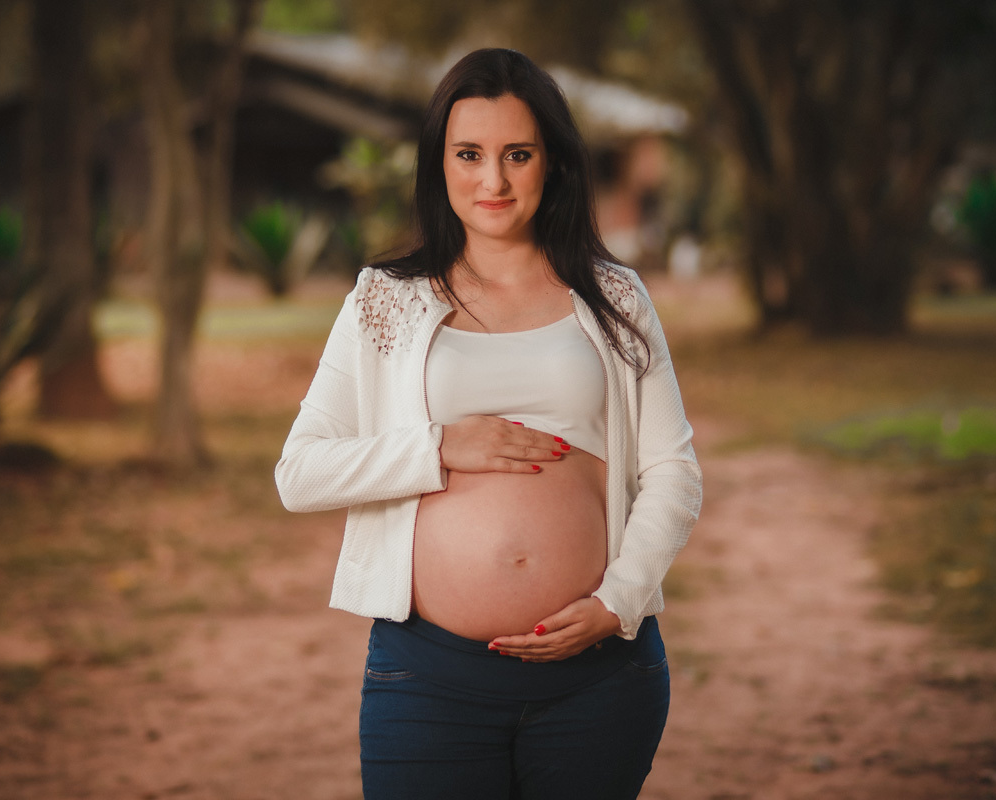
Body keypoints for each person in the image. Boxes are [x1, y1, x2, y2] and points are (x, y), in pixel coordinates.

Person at [276, 48, 701, 799]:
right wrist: (439, 447)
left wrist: (618, 601)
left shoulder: (614, 295)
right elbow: (300, 472)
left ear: (553, 163)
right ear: (439, 163)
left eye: (518, 155)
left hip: (598, 680)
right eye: (468, 154)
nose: (493, 181)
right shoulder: (385, 299)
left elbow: (673, 469)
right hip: (428, 678)